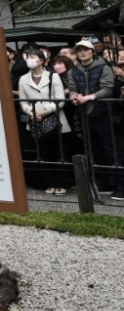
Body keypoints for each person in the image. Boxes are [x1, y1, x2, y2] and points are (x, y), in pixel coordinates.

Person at [66, 38, 124, 199]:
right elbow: (72, 89)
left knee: (111, 149)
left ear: (93, 51)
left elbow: (107, 89)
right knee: (94, 150)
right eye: (79, 50)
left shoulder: (104, 67)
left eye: (86, 49)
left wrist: (89, 97)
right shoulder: (73, 71)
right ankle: (104, 182)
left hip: (104, 113)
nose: (82, 53)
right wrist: (75, 96)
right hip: (85, 114)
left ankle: (121, 184)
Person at [18, 46, 71, 194]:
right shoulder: (23, 79)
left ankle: (61, 183)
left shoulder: (53, 76)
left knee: (58, 152)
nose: (30, 60)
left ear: (41, 60)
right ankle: (50, 182)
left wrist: (44, 112)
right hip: (35, 120)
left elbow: (60, 99)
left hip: (55, 119)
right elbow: (23, 101)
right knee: (43, 153)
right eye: (28, 57)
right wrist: (32, 112)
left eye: (33, 57)